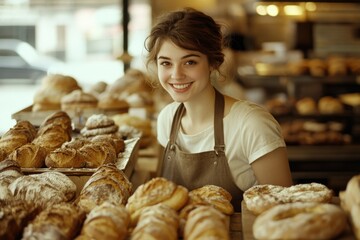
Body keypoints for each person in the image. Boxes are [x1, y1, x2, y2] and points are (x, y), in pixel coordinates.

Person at [144, 8, 293, 207]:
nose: (176, 75)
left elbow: (282, 210)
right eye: (166, 63)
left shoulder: (251, 124)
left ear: (213, 62)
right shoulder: (167, 119)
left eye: (190, 62)